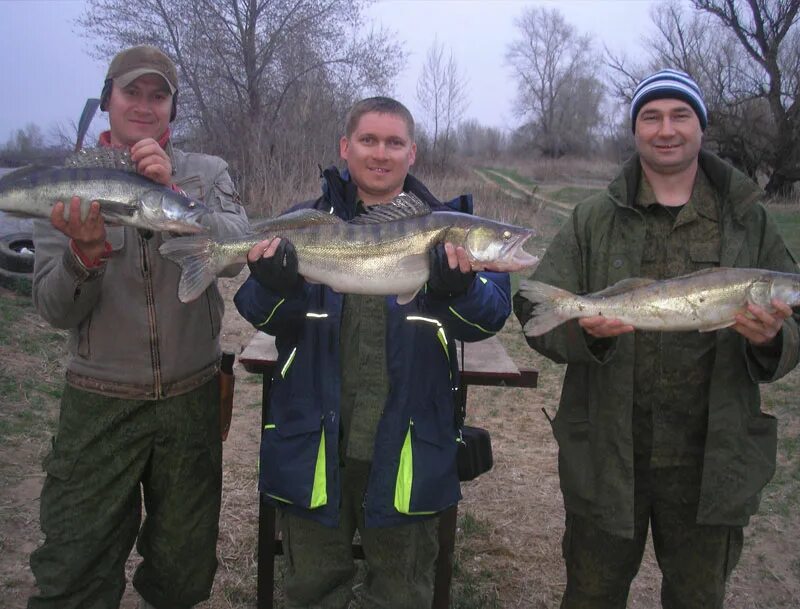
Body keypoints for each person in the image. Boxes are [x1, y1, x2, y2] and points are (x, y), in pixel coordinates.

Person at [514, 68, 800, 609]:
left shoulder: (749, 222)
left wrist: (769, 340)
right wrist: (590, 337)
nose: (665, 129)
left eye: (680, 115)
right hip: (607, 454)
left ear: (701, 127)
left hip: (712, 461)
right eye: (651, 117)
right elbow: (532, 307)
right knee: (591, 595)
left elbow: (794, 334)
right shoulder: (592, 219)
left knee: (698, 597)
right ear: (635, 131)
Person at [234, 96, 512, 608]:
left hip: (409, 450)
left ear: (413, 154)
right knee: (312, 589)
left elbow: (490, 318)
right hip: (315, 446)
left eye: (394, 142)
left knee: (402, 593)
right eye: (368, 140)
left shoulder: (448, 231)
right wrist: (274, 285)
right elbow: (257, 312)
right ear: (346, 147)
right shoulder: (304, 222)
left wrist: (460, 290)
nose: (380, 153)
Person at [29, 45, 250, 609]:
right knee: (74, 570)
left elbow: (235, 251)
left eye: (159, 96)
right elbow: (54, 308)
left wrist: (171, 189)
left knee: (182, 572)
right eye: (132, 93)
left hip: (190, 397)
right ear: (108, 101)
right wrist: (83, 255)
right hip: (99, 401)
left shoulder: (207, 172)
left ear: (173, 109)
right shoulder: (71, 182)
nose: (145, 106)